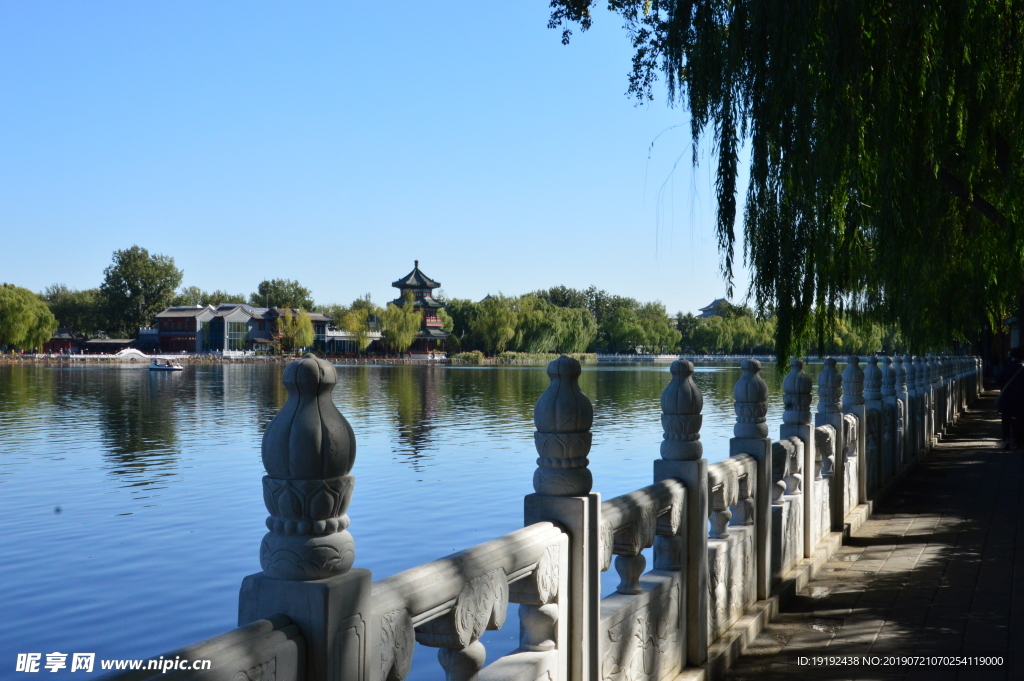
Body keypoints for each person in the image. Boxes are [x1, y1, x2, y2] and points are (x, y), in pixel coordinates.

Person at [997, 346, 1024, 448]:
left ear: (1012, 356)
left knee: (1006, 418)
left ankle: (1007, 438)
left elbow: (998, 380)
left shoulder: (1006, 367)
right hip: (1020, 399)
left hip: (1006, 397)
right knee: (1019, 418)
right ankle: (1018, 439)